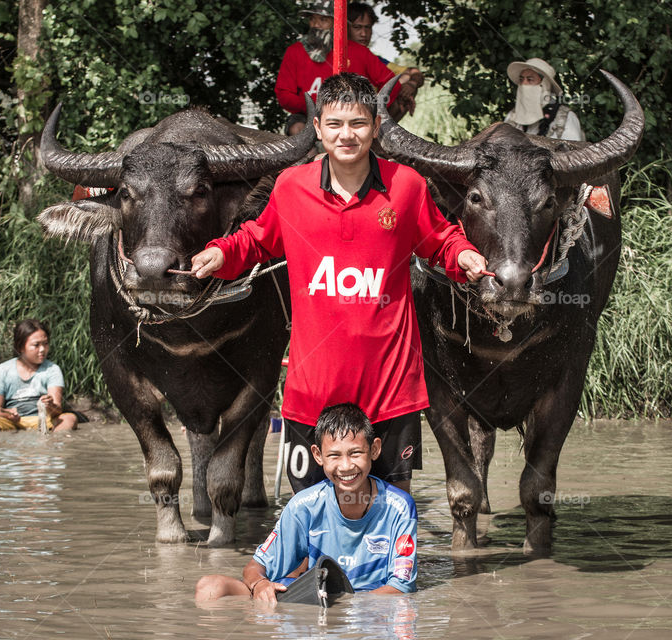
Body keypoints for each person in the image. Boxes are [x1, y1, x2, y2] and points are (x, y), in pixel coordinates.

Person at [191, 73, 488, 494]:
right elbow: (257, 239)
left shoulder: (406, 186)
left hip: (390, 383)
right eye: (334, 124)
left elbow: (439, 241)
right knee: (310, 510)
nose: (346, 135)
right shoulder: (291, 187)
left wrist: (463, 255)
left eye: (358, 124)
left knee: (390, 510)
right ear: (317, 128)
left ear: (376, 126)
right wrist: (222, 252)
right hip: (314, 385)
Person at [195, 403, 418, 603]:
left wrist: (345, 605)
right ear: (318, 456)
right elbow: (254, 568)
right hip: (313, 597)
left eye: (356, 453)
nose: (346, 466)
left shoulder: (400, 507)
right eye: (334, 456)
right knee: (210, 587)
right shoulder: (303, 505)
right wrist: (260, 585)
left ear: (375, 450)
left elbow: (402, 587)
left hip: (368, 604)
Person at [276, 0, 401, 135]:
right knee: (297, 129)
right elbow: (284, 94)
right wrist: (319, 107)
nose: (316, 25)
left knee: (366, 133)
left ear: (337, 23)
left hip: (353, 115)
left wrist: (369, 108)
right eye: (312, 19)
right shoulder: (295, 51)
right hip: (307, 116)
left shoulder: (359, 52)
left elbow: (392, 84)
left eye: (323, 20)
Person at [0, 319, 77, 437]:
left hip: (43, 419)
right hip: (12, 421)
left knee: (69, 418)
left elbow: (58, 410)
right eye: (36, 345)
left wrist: (50, 405)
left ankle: (55, 444)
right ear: (20, 347)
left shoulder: (52, 369)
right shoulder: (3, 370)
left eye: (45, 344)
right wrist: (7, 413)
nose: (42, 349)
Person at [347, 2, 424, 119]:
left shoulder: (375, 60)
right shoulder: (334, 55)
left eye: (367, 27)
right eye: (357, 27)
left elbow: (414, 72)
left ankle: (377, 135)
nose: (363, 34)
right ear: (345, 28)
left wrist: (411, 84)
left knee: (404, 83)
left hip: (369, 116)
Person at [503, 57, 585, 141]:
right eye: (521, 79)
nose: (524, 84)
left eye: (530, 79)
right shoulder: (512, 118)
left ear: (544, 84)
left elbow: (573, 152)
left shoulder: (565, 119)